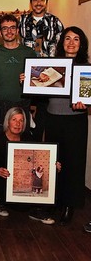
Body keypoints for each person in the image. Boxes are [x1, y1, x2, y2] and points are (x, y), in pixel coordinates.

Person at [44, 26, 89, 226]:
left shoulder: (86, 69)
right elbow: (40, 89)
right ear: (62, 43)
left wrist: (85, 104)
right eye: (67, 38)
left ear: (81, 44)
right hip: (53, 118)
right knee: (55, 162)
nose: (71, 43)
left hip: (75, 120)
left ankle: (70, 204)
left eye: (76, 39)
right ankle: (54, 200)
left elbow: (87, 98)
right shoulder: (51, 65)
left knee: (73, 163)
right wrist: (28, 80)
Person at [0, 107, 56, 224]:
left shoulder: (28, 138)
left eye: (21, 121)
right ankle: (0, 201)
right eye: (14, 119)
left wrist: (53, 165)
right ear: (8, 122)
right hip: (5, 181)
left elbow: (39, 160)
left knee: (28, 202)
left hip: (24, 181)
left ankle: (36, 211)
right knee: (18, 205)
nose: (17, 124)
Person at [19, 0, 64, 141]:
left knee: (44, 115)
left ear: (46, 2)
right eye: (35, 0)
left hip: (48, 75)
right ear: (31, 2)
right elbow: (2, 29)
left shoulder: (55, 22)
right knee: (23, 112)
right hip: (27, 73)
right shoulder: (22, 20)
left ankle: (40, 145)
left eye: (42, 0)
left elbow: (63, 46)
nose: (38, 3)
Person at [0, 14, 36, 140]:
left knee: (22, 149)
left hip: (22, 107)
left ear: (17, 31)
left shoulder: (29, 52)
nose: (9, 31)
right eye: (5, 28)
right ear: (0, 32)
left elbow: (37, 82)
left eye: (12, 28)